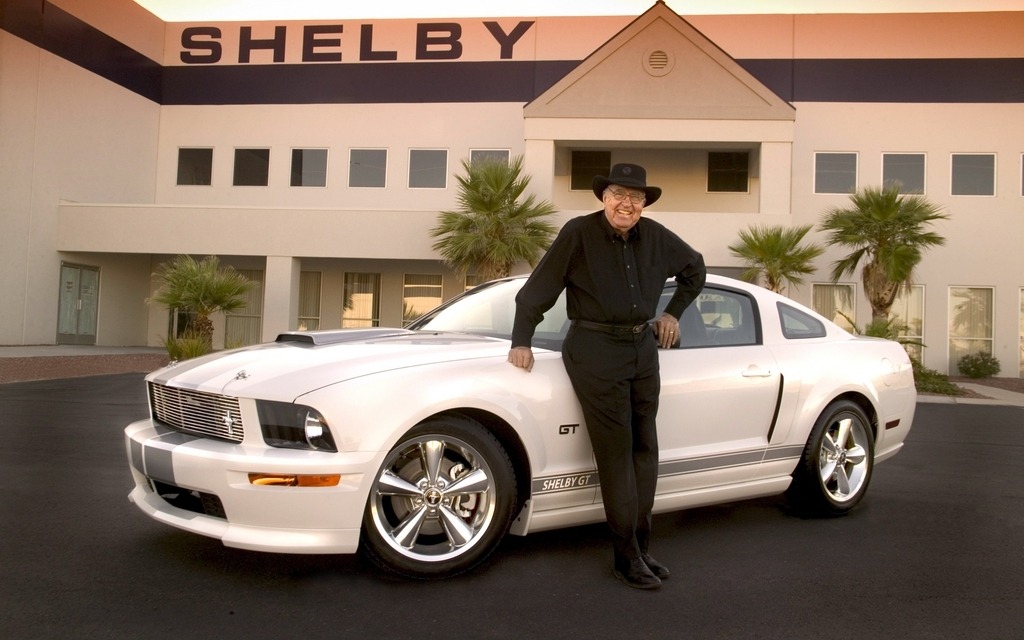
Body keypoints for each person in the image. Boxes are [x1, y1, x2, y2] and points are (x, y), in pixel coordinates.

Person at [508, 163, 706, 590]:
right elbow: (537, 289)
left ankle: (642, 546)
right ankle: (625, 556)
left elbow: (696, 268)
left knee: (645, 448)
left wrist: (672, 312)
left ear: (643, 204)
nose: (627, 204)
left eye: (636, 198)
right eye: (619, 194)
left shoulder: (654, 236)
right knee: (617, 452)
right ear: (604, 197)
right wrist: (521, 339)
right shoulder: (578, 233)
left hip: (641, 349)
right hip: (594, 350)